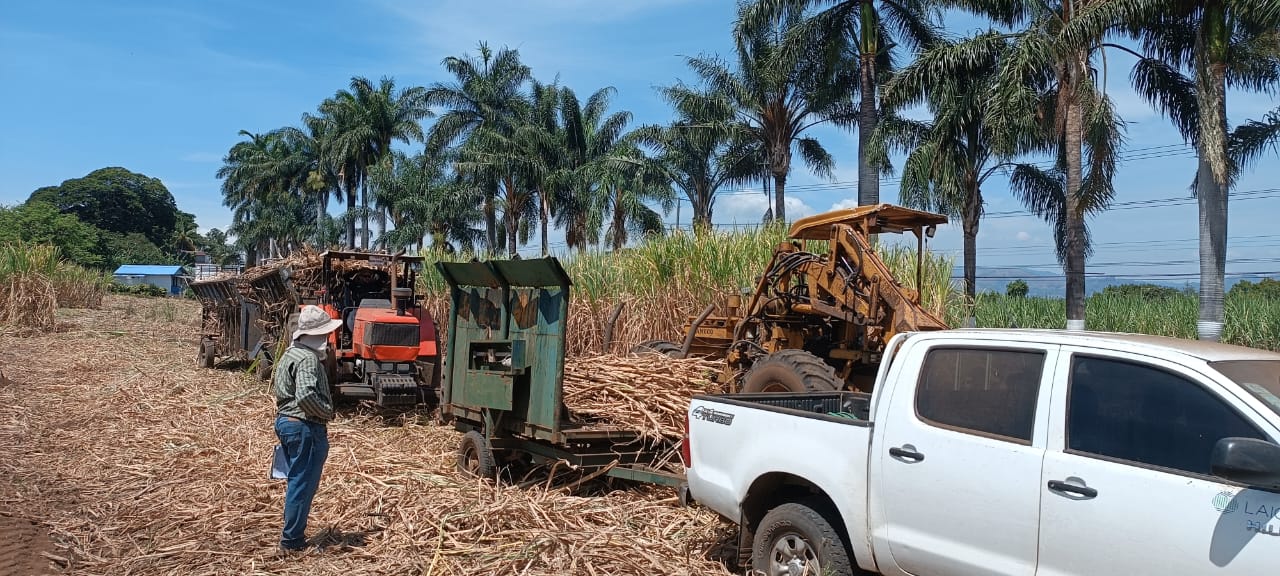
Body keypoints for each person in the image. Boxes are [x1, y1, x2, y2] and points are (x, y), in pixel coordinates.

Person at [273, 305, 341, 553]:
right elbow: (305, 396)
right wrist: (327, 412)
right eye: (323, 334)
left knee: (296, 480)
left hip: (286, 422)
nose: (325, 339)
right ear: (314, 335)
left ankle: (292, 534)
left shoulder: (289, 355)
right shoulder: (308, 360)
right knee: (302, 483)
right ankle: (292, 540)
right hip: (304, 426)